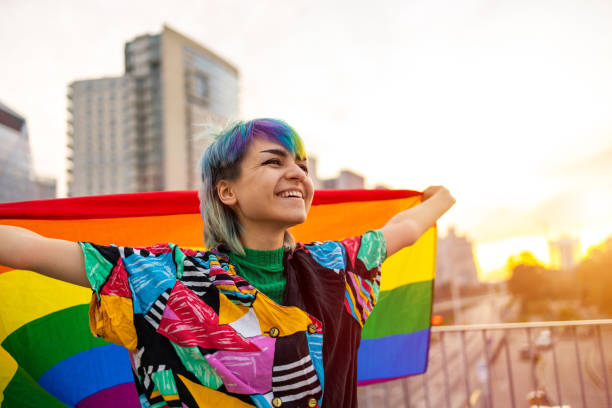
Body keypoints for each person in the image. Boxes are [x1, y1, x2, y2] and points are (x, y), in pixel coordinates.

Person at [0, 118, 455, 408]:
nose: (298, 173)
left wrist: (439, 200)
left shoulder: (336, 264)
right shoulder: (163, 277)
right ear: (227, 191)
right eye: (274, 163)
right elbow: (26, 250)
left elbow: (407, 230)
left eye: (301, 164)